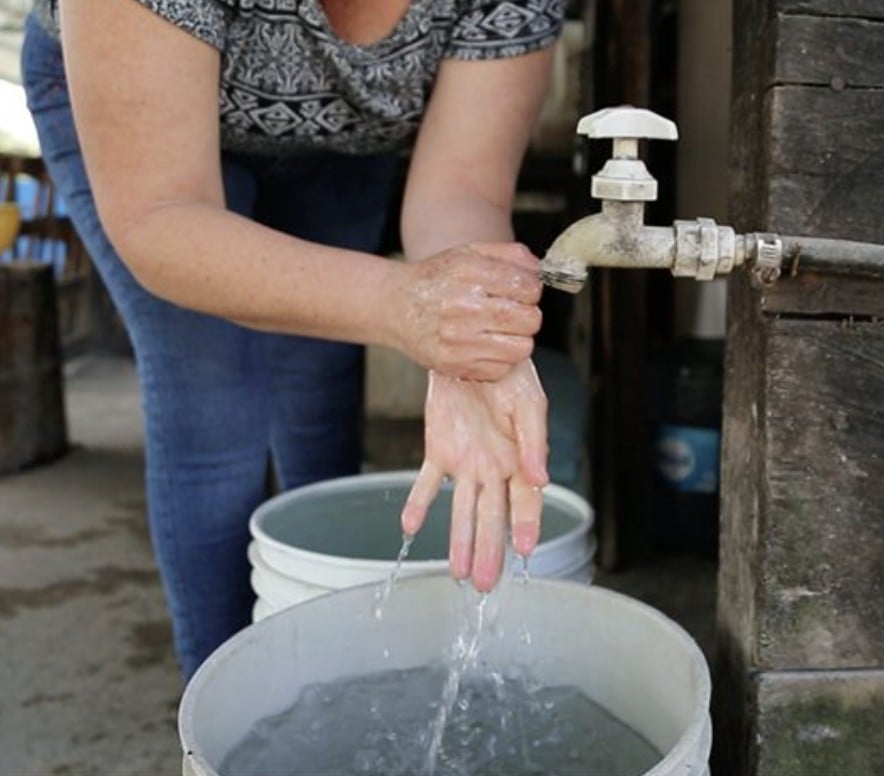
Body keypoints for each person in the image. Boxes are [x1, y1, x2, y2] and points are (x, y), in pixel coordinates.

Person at [21, 0, 563, 680]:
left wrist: (475, 332)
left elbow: (461, 190)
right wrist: (401, 304)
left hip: (341, 133)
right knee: (214, 395)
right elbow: (163, 215)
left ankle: (334, 671)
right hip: (144, 126)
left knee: (319, 380)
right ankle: (222, 701)